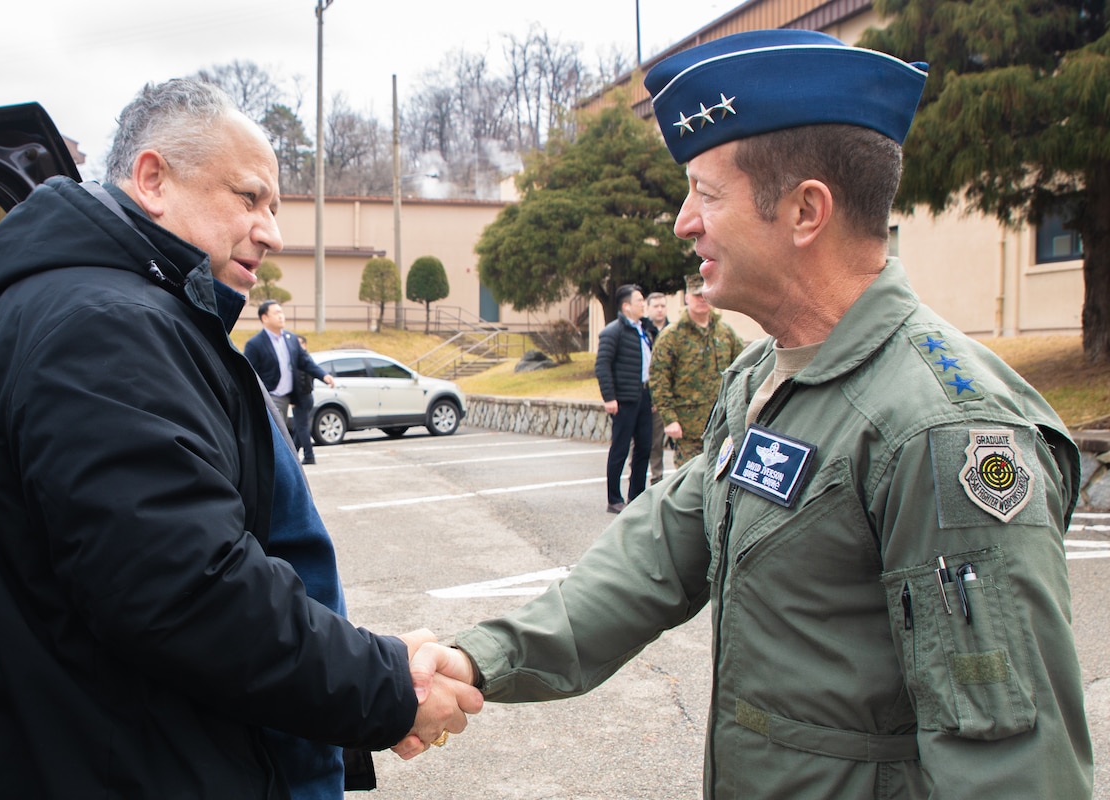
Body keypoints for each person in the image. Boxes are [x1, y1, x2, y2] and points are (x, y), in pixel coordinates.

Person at [409, 29, 1094, 798]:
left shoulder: (940, 429)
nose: (681, 222)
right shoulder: (763, 378)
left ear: (806, 211)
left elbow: (1010, 760)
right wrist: (476, 659)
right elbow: (659, 551)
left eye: (705, 194)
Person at [0, 78, 480, 799]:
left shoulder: (79, 307)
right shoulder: (101, 326)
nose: (272, 231)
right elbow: (188, 592)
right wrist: (385, 686)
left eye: (274, 207)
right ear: (152, 179)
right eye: (248, 198)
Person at [649, 273, 743, 469]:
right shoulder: (672, 336)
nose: (702, 299)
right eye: (697, 295)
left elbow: (742, 370)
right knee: (689, 488)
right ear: (687, 298)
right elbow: (659, 379)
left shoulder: (725, 333)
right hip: (688, 428)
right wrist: (669, 419)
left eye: (705, 294)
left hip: (722, 424)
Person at [595, 284, 653, 513]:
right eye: (639, 300)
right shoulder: (613, 331)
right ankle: (614, 498)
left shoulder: (645, 330)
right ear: (626, 306)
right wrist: (609, 397)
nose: (643, 304)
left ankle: (636, 495)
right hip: (624, 398)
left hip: (644, 395)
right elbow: (602, 366)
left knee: (644, 447)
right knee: (620, 449)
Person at [244, 300, 335, 430]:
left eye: (281, 312)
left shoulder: (291, 339)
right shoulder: (255, 344)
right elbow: (247, 373)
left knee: (281, 432)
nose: (281, 316)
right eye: (276, 313)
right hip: (270, 396)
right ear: (264, 318)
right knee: (278, 433)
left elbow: (305, 361)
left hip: (287, 397)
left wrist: (323, 375)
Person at [643, 291, 670, 484]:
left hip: (673, 394)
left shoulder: (674, 331)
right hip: (649, 395)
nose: (660, 310)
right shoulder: (643, 330)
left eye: (663, 306)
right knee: (651, 442)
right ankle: (655, 478)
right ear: (648, 308)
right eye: (656, 306)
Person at [291, 333, 329, 464]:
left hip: (302, 398)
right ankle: (293, 455)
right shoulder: (305, 359)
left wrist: (294, 399)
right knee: (298, 427)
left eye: (299, 343)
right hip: (305, 397)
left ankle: (309, 456)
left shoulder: (303, 360)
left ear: (305, 345)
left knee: (301, 428)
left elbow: (302, 382)